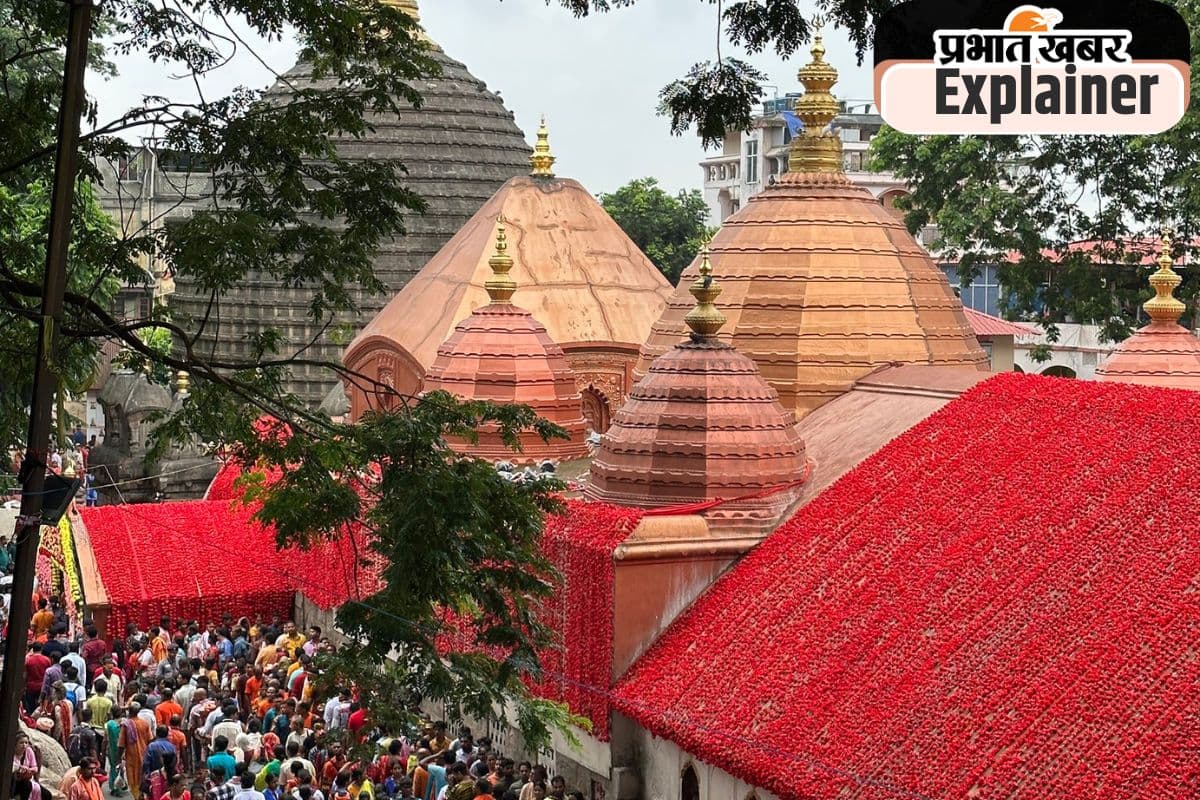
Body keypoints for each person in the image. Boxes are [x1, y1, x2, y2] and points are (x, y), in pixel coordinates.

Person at [120, 703, 153, 800]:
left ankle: (138, 797)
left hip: (131, 758)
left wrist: (119, 759)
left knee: (133, 781)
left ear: (128, 711)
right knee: (142, 778)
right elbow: (150, 739)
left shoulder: (126, 725)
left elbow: (121, 744)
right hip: (144, 756)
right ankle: (141, 796)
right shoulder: (144, 724)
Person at [12, 731, 51, 800]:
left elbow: (35, 768)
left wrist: (28, 770)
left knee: (47, 794)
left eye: (26, 743)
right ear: (15, 744)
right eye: (21, 743)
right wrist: (19, 769)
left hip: (28, 779)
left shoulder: (29, 751)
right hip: (15, 782)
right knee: (26, 785)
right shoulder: (11, 753)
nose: (24, 745)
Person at [23, 643, 51, 713]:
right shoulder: (47, 660)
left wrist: (24, 685)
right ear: (41, 649)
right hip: (42, 687)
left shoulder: (28, 660)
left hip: (31, 686)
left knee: (30, 706)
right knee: (41, 707)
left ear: (33, 649)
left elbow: (25, 675)